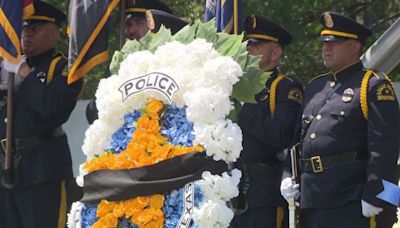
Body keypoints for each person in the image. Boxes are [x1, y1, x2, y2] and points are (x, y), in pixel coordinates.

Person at [280, 11, 399, 228]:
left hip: (351, 199)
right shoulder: (315, 87)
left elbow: (385, 147)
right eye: (324, 42)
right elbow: (297, 139)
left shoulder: (372, 85)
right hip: (311, 199)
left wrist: (378, 194)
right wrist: (288, 174)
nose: (326, 48)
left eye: (334, 43)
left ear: (355, 46)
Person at [0, 1, 83, 228]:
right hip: (6, 169)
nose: (26, 35)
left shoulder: (63, 69)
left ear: (54, 34)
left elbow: (51, 108)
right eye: (24, 29)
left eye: (34, 30)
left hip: (42, 171)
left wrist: (23, 74)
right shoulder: (9, 67)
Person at [230, 15, 303, 228]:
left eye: (256, 45)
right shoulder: (232, 86)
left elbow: (282, 135)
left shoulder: (284, 87)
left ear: (276, 52)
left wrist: (243, 109)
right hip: (233, 187)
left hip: (265, 190)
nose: (248, 49)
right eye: (247, 44)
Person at [86, 0, 187, 124]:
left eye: (139, 23)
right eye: (129, 24)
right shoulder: (121, 65)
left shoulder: (177, 60)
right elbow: (93, 112)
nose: (132, 30)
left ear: (159, 24)